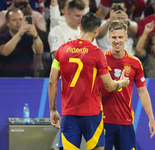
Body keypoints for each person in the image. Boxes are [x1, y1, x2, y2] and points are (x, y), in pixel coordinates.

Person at [48, 12, 129, 150]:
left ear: (80, 27)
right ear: (96, 30)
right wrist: (121, 83)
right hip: (92, 114)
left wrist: (53, 109)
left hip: (69, 113)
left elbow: (52, 82)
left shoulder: (61, 50)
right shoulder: (97, 53)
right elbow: (109, 86)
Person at [98, 20, 155, 150]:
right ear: (109, 38)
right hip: (103, 122)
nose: (117, 41)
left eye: (120, 37)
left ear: (126, 37)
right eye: (114, 37)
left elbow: (142, 92)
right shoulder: (100, 60)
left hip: (126, 121)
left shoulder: (135, 63)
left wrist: (151, 117)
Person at [0, 8, 43, 77]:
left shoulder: (29, 37)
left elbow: (39, 51)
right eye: (14, 20)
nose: (18, 22)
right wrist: (19, 34)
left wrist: (35, 35)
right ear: (7, 23)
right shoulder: (2, 38)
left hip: (27, 79)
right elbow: (5, 51)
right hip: (7, 80)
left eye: (20, 19)